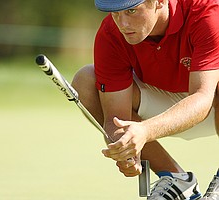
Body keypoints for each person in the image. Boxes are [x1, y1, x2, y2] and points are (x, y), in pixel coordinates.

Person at [71, 0, 219, 199]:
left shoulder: (207, 13)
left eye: (131, 10)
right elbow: (115, 118)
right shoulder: (110, 33)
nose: (122, 24)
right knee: (86, 80)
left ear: (160, 2)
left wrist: (146, 130)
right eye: (115, 13)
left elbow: (202, 96)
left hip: (208, 103)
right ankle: (177, 182)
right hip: (160, 107)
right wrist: (125, 147)